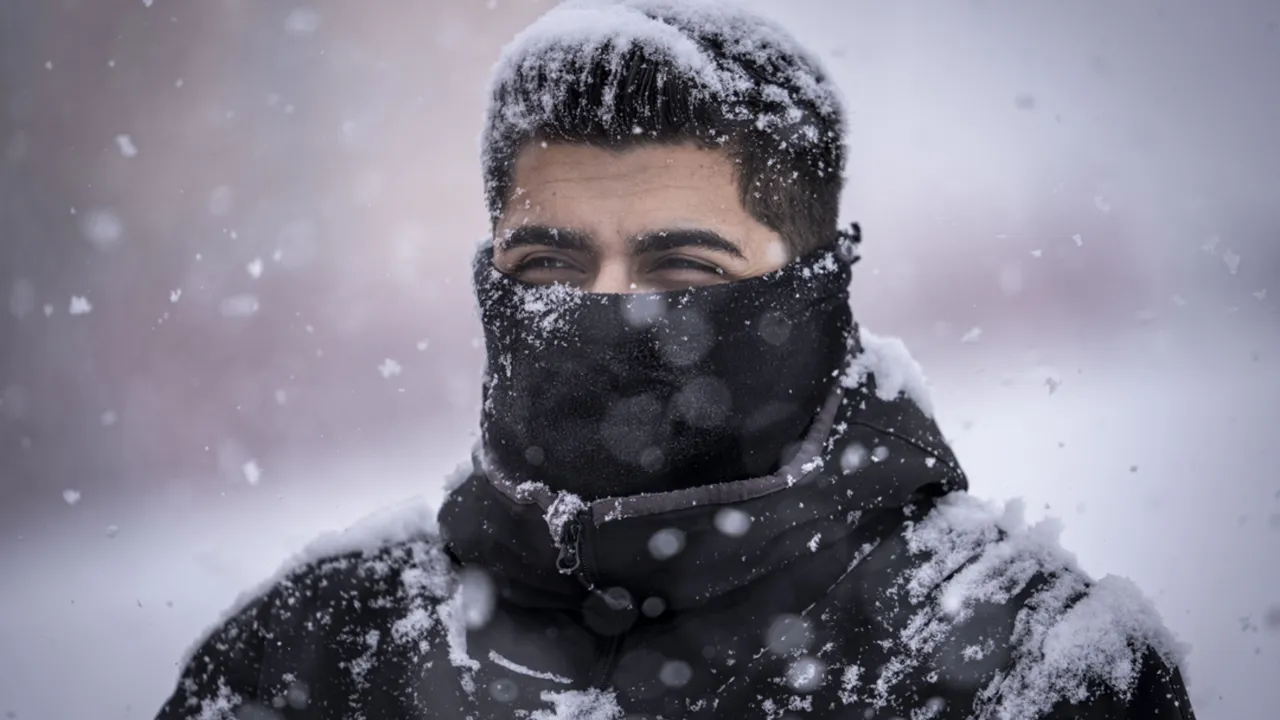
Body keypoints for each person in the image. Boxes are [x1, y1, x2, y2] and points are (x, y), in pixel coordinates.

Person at [157, 2, 1197, 718]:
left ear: (816, 288)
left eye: (683, 273)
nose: (603, 312)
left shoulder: (1019, 669)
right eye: (548, 264)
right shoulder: (323, 648)